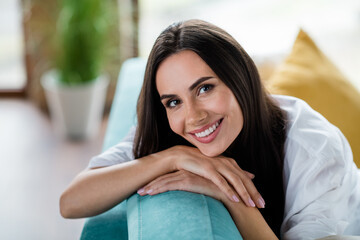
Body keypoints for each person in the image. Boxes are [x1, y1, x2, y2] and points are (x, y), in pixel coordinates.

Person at [60, 19, 360, 239]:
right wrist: (171, 158)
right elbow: (71, 202)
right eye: (174, 101)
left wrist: (231, 195)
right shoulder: (169, 132)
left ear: (240, 78)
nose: (192, 117)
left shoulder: (314, 148)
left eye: (204, 88)